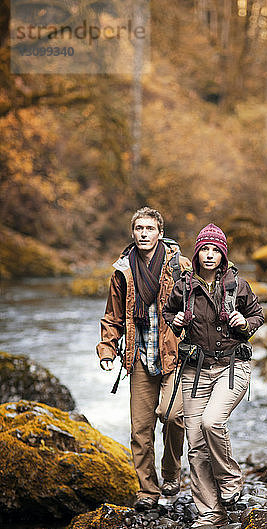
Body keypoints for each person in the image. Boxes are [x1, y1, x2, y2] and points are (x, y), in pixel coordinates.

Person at [162, 223, 264, 527]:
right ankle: (210, 512)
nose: (209, 255)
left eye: (214, 250)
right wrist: (177, 320)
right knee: (194, 443)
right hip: (195, 370)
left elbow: (258, 314)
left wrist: (243, 322)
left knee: (212, 422)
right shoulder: (184, 286)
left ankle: (231, 479)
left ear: (223, 254)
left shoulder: (237, 286)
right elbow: (169, 312)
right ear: (196, 253)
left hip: (231, 368)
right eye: (204, 249)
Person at [97, 207, 191, 511]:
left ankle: (171, 475)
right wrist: (107, 349)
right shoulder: (122, 271)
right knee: (140, 430)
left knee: (173, 415)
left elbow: (197, 308)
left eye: (150, 229)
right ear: (132, 232)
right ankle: (148, 491)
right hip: (138, 356)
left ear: (160, 233)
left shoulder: (180, 267)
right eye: (139, 228)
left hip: (173, 354)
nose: (144, 234)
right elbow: (112, 316)